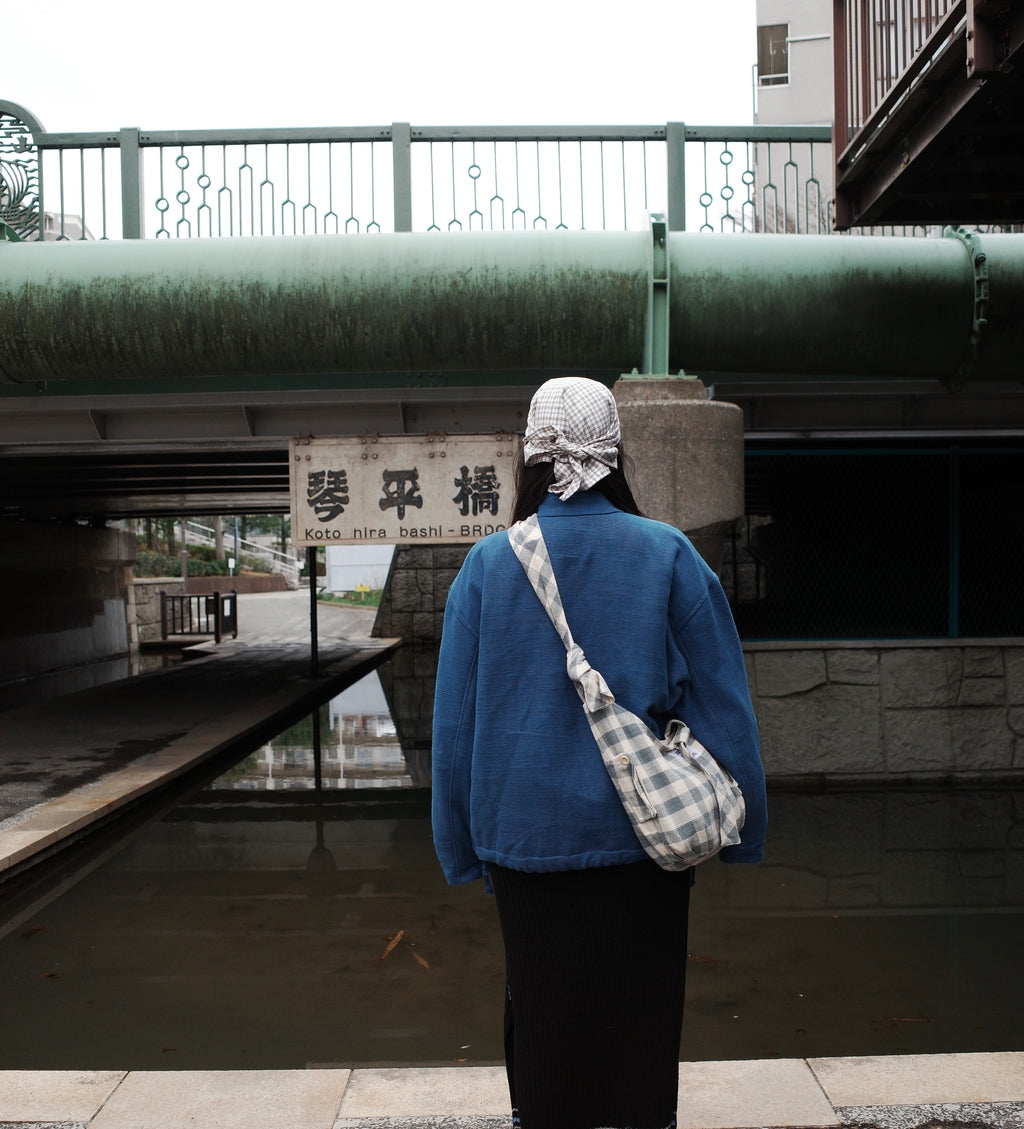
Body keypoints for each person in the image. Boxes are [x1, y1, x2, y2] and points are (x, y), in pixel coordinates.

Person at [432, 376, 766, 1129]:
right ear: (616, 452)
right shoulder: (671, 557)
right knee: (641, 1031)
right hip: (645, 845)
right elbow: (725, 712)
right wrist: (745, 837)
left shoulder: (486, 569)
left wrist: (461, 849)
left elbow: (453, 733)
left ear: (530, 455)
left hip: (523, 849)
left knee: (544, 1026)